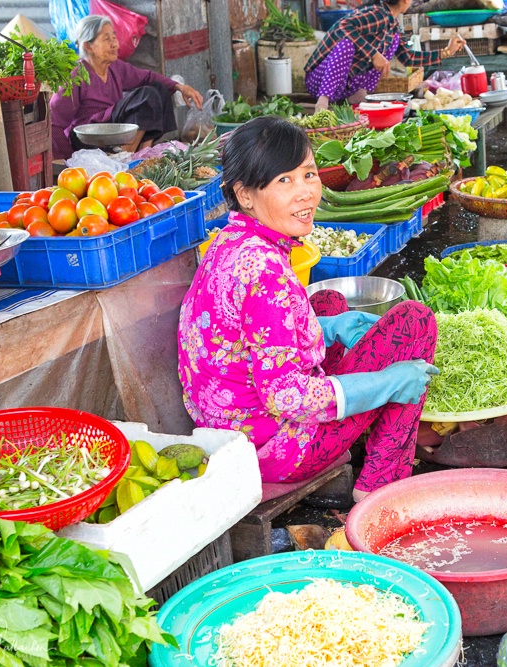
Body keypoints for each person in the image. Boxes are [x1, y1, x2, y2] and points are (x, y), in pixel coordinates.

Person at [177, 116, 439, 502]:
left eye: (308, 174)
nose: (305, 193)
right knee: (414, 322)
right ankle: (380, 485)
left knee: (327, 302)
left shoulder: (230, 241)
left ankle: (375, 447)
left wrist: (329, 327)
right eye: (284, 180)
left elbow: (253, 334)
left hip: (232, 433)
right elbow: (285, 396)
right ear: (245, 194)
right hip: (274, 452)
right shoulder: (264, 271)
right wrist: (388, 383)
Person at [50, 15, 204, 160]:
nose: (114, 44)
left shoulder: (116, 68)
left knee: (158, 89)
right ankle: (124, 158)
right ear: (88, 46)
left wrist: (179, 86)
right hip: (88, 139)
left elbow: (147, 77)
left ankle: (141, 154)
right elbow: (55, 121)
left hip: (114, 132)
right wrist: (69, 158)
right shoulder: (77, 75)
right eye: (106, 39)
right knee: (146, 95)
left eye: (114, 37)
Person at [305, 0, 466, 112]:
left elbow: (408, 58)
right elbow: (343, 26)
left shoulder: (394, 25)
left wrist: (446, 52)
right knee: (346, 45)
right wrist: (374, 54)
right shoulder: (377, 13)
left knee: (393, 42)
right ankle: (323, 101)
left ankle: (359, 94)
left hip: (344, 87)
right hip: (319, 82)